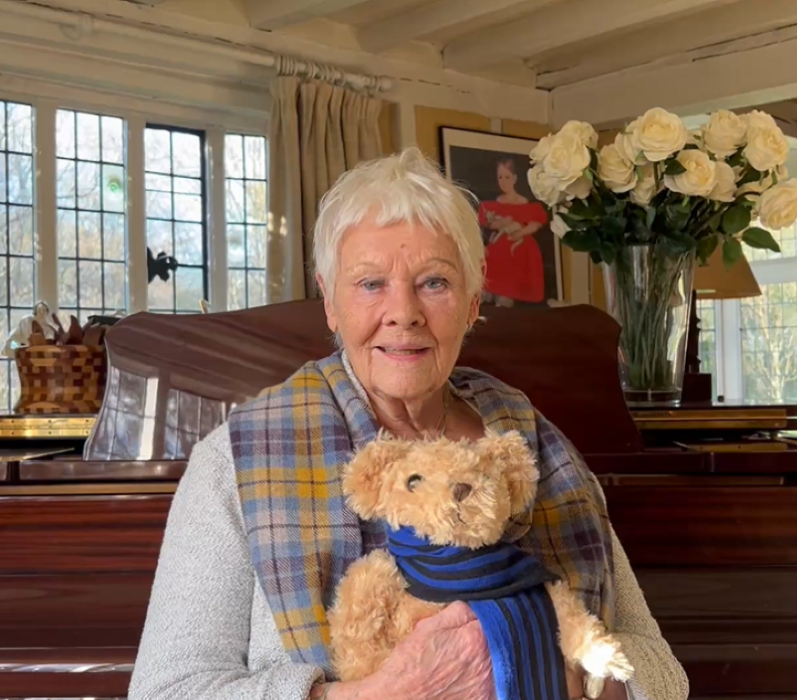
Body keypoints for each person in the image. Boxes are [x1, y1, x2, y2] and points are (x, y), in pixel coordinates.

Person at [127, 148, 689, 700]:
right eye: (371, 284)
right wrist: (384, 695)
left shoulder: (534, 445)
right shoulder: (235, 460)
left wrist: (561, 678)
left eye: (434, 283)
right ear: (330, 302)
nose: (404, 312)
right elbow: (164, 690)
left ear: (473, 299)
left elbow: (663, 671)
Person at [478, 157, 549, 306]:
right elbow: (490, 223)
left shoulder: (527, 205)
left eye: (507, 177)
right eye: (500, 177)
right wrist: (503, 222)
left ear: (515, 178)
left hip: (520, 243)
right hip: (500, 242)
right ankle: (492, 291)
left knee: (518, 253)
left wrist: (520, 233)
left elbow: (535, 224)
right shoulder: (493, 205)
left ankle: (507, 294)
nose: (503, 181)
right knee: (494, 252)